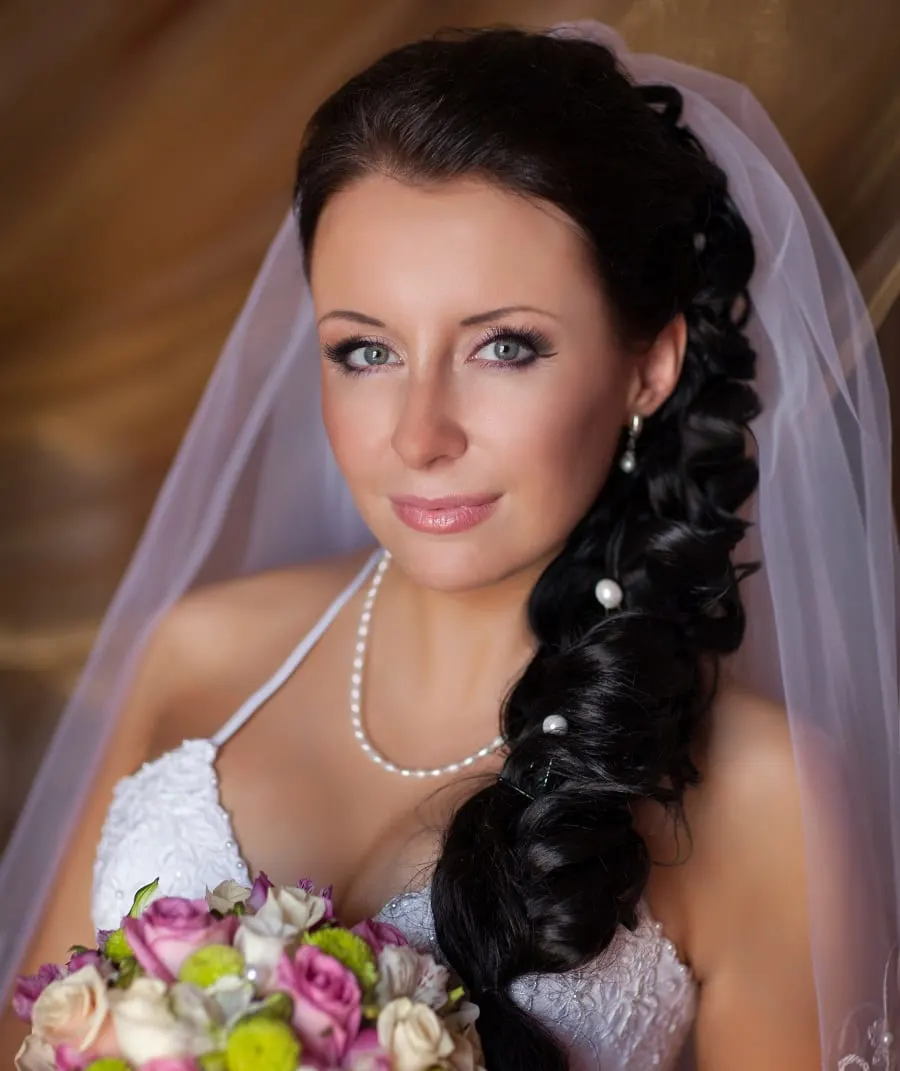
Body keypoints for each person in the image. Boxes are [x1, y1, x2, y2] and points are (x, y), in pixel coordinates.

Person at [1, 20, 898, 1071]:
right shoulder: (199, 658)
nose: (421, 437)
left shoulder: (764, 797)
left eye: (505, 347)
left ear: (649, 366)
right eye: (366, 350)